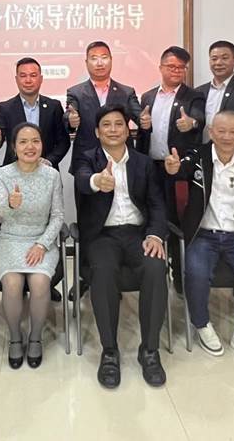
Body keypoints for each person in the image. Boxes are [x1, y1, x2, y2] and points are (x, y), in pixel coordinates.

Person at [164, 110, 234, 368]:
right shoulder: (197, 157)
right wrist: (173, 169)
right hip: (203, 235)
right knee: (197, 273)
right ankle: (202, 325)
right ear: (211, 132)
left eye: (233, 132)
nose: (226, 137)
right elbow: (180, 170)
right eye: (221, 131)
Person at [75, 104, 168, 389]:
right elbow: (82, 179)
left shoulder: (143, 163)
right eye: (106, 125)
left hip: (138, 234)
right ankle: (110, 351)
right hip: (102, 235)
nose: (113, 130)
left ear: (128, 130)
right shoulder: (87, 158)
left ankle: (149, 350)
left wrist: (155, 235)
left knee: (156, 267)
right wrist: (97, 181)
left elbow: (157, 204)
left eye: (119, 124)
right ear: (97, 132)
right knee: (102, 272)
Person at [0, 123, 64, 369]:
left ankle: (35, 337)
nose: (29, 146)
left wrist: (42, 244)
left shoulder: (52, 175)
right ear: (14, 147)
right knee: (12, 284)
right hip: (10, 238)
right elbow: (1, 216)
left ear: (42, 145)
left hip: (41, 240)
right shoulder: (2, 174)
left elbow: (57, 216)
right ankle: (15, 337)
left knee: (40, 282)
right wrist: (11, 205)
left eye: (35, 141)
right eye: (23, 142)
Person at [136, 45, 206, 294]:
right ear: (161, 67)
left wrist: (192, 123)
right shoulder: (147, 97)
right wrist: (143, 125)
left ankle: (179, 275)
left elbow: (198, 118)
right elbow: (143, 131)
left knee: (176, 222)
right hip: (150, 167)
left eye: (181, 67)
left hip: (177, 170)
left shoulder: (193, 96)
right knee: (149, 218)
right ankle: (152, 271)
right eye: (171, 66)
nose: (176, 71)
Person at [65, 41, 141, 174]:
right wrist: (71, 120)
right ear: (86, 62)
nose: (99, 63)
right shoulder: (75, 92)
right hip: (86, 160)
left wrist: (145, 120)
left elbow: (139, 117)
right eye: (94, 58)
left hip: (121, 159)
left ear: (111, 60)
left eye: (104, 57)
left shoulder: (127, 92)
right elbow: (69, 114)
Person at [0, 57, 70, 170]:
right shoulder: (5, 108)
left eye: (33, 75)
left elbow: (63, 142)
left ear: (41, 79)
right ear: (16, 79)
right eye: (23, 76)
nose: (28, 80)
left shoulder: (53, 106)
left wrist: (49, 161)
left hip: (46, 171)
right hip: (14, 171)